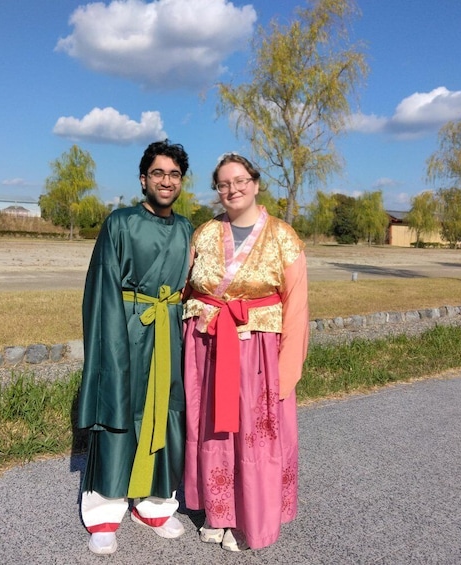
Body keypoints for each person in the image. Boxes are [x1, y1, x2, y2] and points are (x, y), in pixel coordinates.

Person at [182, 153, 310, 551]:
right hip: (207, 347)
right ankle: (218, 512)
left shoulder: (282, 236)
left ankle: (248, 517)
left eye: (239, 181)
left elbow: (297, 305)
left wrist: (287, 370)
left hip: (257, 352)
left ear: (255, 183)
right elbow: (186, 287)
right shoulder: (204, 233)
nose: (232, 189)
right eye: (223, 184)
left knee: (253, 435)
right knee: (212, 430)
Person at [77, 139, 194, 555]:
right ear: (143, 179)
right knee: (119, 408)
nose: (166, 181)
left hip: (167, 330)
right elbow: (102, 286)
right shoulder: (120, 222)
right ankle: (105, 512)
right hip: (126, 327)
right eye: (158, 173)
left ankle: (155, 505)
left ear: (181, 182)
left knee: (165, 412)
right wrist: (110, 343)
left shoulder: (185, 229)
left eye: (174, 174)